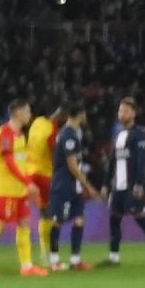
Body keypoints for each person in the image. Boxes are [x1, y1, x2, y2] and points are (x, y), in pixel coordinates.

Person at [0, 99, 47, 277]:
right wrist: (28, 182)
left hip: (20, 190)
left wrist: (28, 183)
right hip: (5, 189)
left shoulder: (19, 135)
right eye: (27, 111)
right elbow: (9, 162)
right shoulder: (5, 133)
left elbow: (21, 163)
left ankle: (26, 266)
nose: (29, 115)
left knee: (25, 222)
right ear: (17, 113)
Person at [105, 97, 145, 267]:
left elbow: (141, 161)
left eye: (126, 111)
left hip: (133, 184)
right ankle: (114, 257)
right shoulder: (118, 134)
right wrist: (105, 183)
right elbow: (112, 161)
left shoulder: (140, 134)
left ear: (133, 114)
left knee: (139, 216)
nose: (122, 113)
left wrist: (139, 184)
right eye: (120, 110)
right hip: (118, 185)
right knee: (114, 218)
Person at [45, 104, 97, 271]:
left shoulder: (73, 133)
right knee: (58, 221)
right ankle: (54, 260)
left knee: (80, 218)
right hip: (64, 183)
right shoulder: (68, 135)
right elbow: (72, 165)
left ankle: (75, 260)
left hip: (74, 185)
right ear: (80, 115)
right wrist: (87, 184)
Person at [22, 98, 56, 264]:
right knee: (49, 213)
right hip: (44, 175)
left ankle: (38, 253)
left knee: (31, 213)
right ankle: (47, 252)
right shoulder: (51, 126)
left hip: (28, 173)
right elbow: (55, 149)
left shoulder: (34, 125)